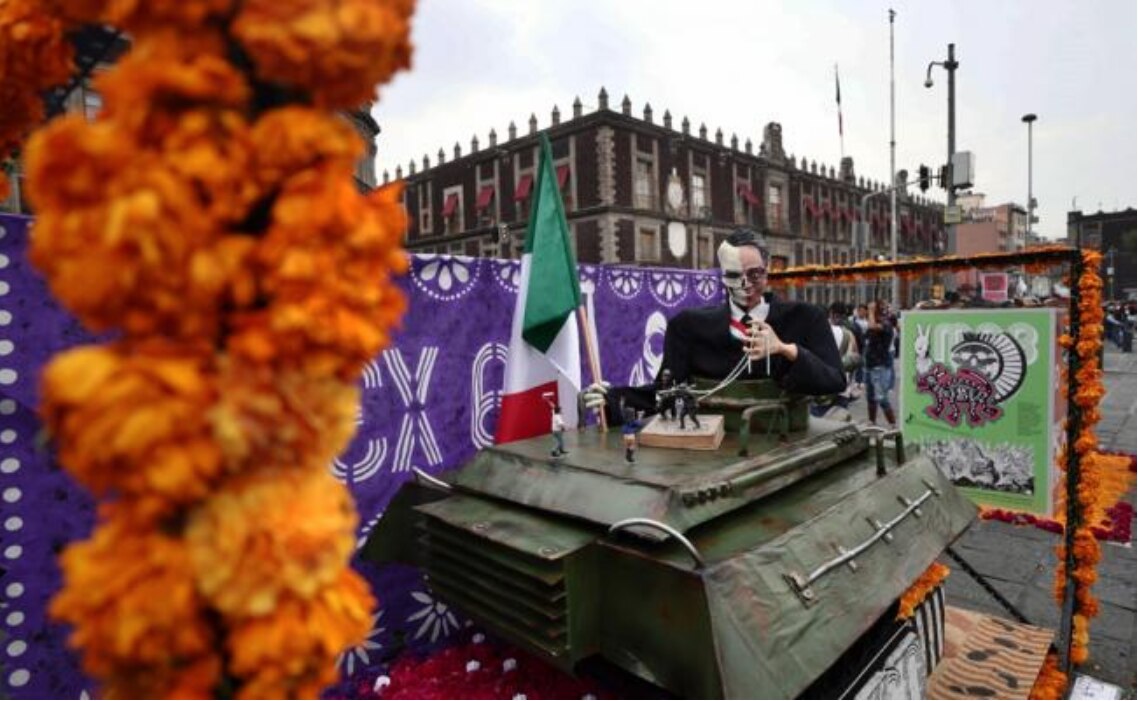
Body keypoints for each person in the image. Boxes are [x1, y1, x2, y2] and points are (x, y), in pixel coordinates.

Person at [585, 228, 846, 421]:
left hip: (786, 442)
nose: (745, 285)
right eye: (734, 276)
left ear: (767, 268)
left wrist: (785, 349)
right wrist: (613, 398)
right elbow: (665, 393)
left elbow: (834, 381)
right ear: (722, 276)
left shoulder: (806, 318)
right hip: (714, 448)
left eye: (754, 274)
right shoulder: (688, 326)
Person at [864, 299, 897, 428]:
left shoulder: (886, 324)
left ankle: (893, 425)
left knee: (882, 398)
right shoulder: (876, 323)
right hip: (870, 365)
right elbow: (869, 332)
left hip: (880, 366)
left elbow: (872, 326)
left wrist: (872, 311)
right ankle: (872, 422)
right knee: (870, 397)